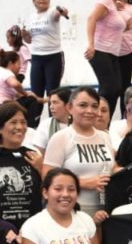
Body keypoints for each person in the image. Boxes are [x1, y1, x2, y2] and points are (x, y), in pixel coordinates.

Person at [42, 87, 115, 219]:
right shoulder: (61, 138)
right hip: (73, 209)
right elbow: (47, 177)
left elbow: (111, 168)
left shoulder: (105, 136)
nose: (90, 111)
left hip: (105, 209)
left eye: (94, 106)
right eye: (83, 105)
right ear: (69, 107)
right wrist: (83, 182)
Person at [0, 101, 44, 230]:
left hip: (31, 230)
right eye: (13, 122)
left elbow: (48, 191)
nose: (20, 127)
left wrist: (41, 169)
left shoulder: (33, 155)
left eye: (23, 122)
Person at [85, 0, 131, 118]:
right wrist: (91, 44)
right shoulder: (105, 0)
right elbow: (91, 18)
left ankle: (105, 122)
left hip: (112, 53)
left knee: (117, 89)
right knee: (109, 88)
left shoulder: (113, 5)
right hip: (100, 51)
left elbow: (116, 27)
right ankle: (95, 117)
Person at [22, 0, 69, 98]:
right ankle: (35, 116)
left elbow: (60, 12)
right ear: (34, 1)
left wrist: (63, 11)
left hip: (53, 57)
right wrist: (24, 34)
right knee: (36, 92)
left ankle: (53, 115)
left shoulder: (52, 12)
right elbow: (29, 40)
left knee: (52, 92)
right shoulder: (31, 17)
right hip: (37, 58)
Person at [30, 87, 72, 152]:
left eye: (55, 102)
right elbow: (38, 152)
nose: (51, 107)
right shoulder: (46, 124)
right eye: (50, 103)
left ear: (67, 105)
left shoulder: (80, 124)